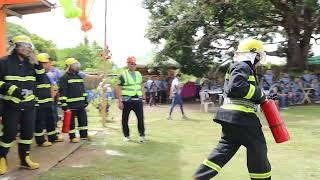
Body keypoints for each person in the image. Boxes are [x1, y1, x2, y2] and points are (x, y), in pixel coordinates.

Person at [194, 39, 271, 180]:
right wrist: (260, 93)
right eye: (259, 56)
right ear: (254, 55)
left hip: (231, 118)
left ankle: (199, 177)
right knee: (258, 150)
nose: (259, 60)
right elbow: (236, 88)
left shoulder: (239, 66)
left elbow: (240, 91)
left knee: (223, 150)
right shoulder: (242, 66)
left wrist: (261, 97)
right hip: (243, 118)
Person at [0, 35, 45, 174]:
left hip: (29, 106)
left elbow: (41, 79)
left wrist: (38, 64)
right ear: (15, 46)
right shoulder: (4, 62)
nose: (28, 48)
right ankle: (1, 158)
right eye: (24, 45)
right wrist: (13, 90)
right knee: (9, 133)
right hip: (11, 105)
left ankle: (25, 160)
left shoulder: (31, 63)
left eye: (29, 46)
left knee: (27, 133)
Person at [34, 53, 64, 146]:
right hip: (38, 104)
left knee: (50, 120)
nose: (50, 65)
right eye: (48, 63)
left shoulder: (46, 75)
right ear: (41, 64)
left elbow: (51, 87)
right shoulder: (35, 75)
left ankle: (52, 137)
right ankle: (40, 141)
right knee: (39, 122)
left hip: (47, 103)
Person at [59, 58, 92, 143]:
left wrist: (85, 99)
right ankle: (72, 137)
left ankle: (84, 135)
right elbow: (63, 92)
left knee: (83, 120)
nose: (77, 67)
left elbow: (82, 89)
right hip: (71, 105)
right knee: (71, 122)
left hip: (81, 104)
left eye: (77, 65)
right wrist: (64, 104)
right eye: (75, 65)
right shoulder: (64, 78)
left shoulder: (79, 76)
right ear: (69, 67)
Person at [116, 56, 145, 142]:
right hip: (127, 100)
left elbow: (142, 86)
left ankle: (142, 135)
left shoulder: (138, 74)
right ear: (128, 64)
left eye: (135, 64)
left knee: (140, 118)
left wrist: (144, 98)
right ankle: (126, 135)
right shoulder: (123, 74)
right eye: (131, 63)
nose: (133, 65)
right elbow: (118, 87)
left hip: (137, 100)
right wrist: (120, 101)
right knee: (125, 118)